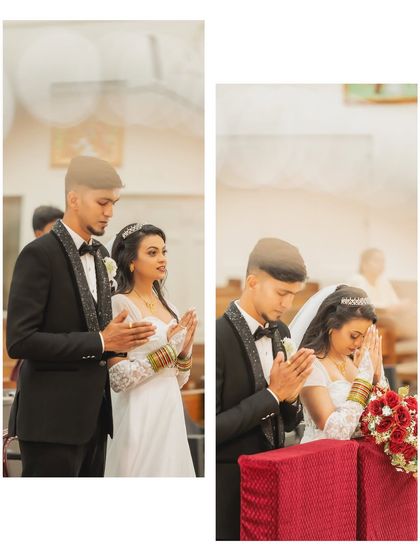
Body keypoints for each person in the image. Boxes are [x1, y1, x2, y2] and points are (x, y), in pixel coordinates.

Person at [6, 156, 156, 477]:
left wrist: (127, 340)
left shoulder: (102, 256)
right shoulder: (38, 255)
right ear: (73, 199)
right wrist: (101, 341)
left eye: (114, 203)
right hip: (51, 424)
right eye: (102, 202)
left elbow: (103, 333)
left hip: (96, 421)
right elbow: (20, 341)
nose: (110, 212)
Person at [216, 238, 316, 540]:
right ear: (252, 281)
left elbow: (286, 422)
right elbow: (215, 429)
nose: (287, 304)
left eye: (294, 295)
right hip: (230, 481)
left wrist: (291, 395)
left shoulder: (281, 333)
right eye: (282, 293)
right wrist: (273, 394)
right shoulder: (219, 336)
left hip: (274, 476)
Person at [104, 223, 197, 477]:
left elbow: (178, 378)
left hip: (169, 407)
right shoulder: (120, 304)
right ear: (131, 261)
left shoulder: (170, 307)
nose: (162, 259)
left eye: (164, 252)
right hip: (138, 410)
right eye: (153, 253)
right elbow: (119, 378)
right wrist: (169, 351)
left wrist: (185, 351)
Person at [289, 285, 385, 443]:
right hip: (324, 459)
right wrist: (364, 377)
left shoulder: (357, 360)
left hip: (360, 457)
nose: (359, 343)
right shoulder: (311, 365)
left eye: (363, 336)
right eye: (354, 335)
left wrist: (376, 377)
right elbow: (335, 431)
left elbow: (383, 418)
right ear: (331, 325)